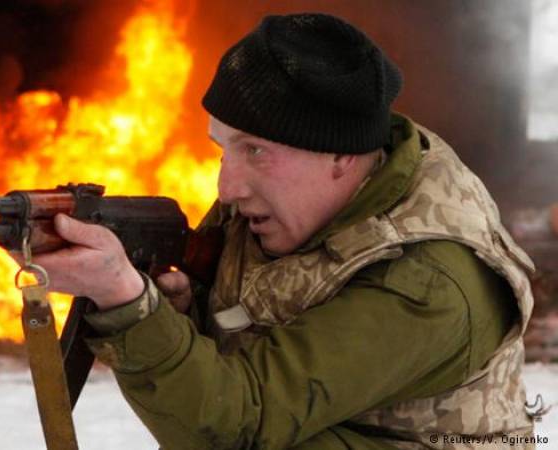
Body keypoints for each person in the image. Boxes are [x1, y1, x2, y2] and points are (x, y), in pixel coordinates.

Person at [27, 13, 537, 449]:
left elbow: (236, 426)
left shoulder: (425, 280)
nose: (226, 188)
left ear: (341, 155)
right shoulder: (278, 204)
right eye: (223, 148)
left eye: (256, 151)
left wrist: (125, 301)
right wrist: (181, 311)